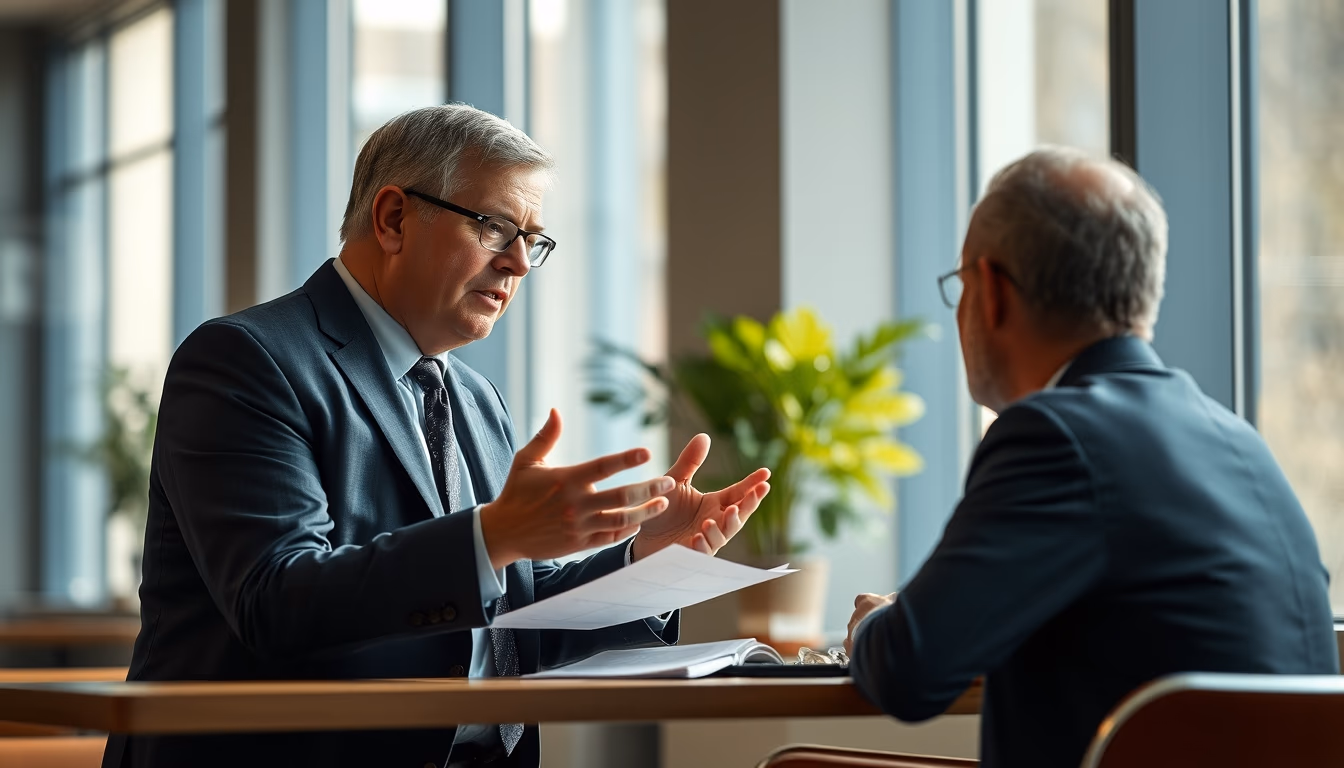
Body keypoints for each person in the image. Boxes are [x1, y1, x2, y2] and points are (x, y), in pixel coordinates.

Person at [103, 104, 771, 768]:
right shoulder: (247, 360)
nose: (517, 264)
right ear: (393, 218)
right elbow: (277, 602)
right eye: (495, 227)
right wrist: (494, 537)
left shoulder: (477, 401)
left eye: (532, 241)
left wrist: (646, 562)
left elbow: (510, 631)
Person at [843, 147, 1338, 768]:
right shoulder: (1240, 443)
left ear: (991, 292)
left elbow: (909, 670)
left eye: (961, 284)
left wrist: (869, 627)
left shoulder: (1054, 436)